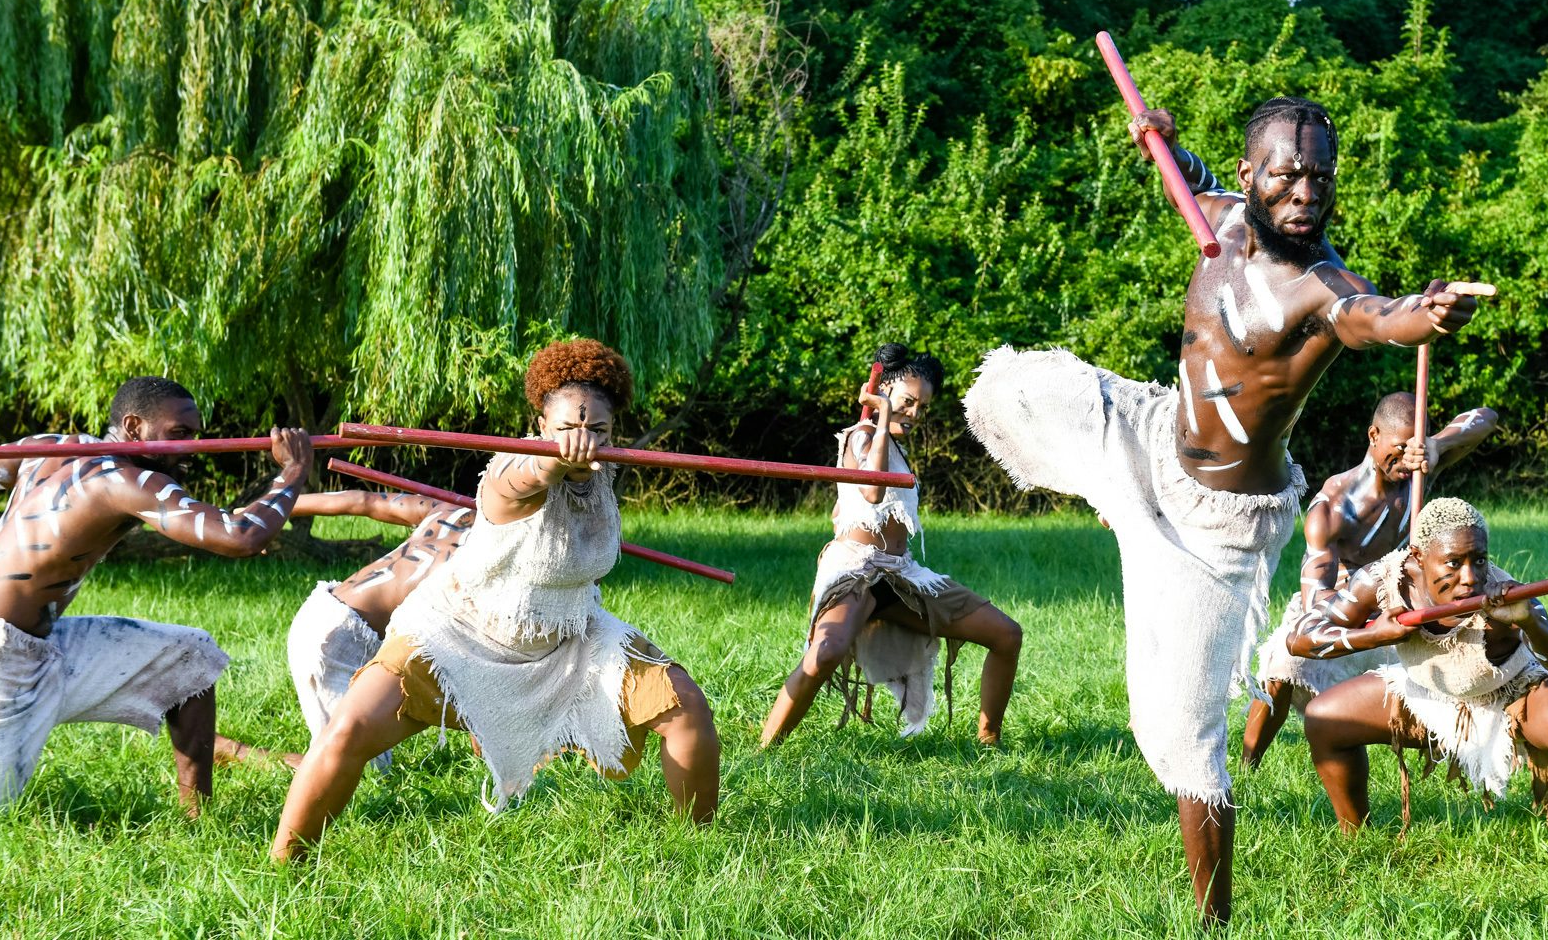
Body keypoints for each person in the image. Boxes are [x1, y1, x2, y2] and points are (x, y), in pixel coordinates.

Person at [962, 98, 1488, 922]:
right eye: (1287, 174)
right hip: (1152, 435)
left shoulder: (1322, 288)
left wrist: (1426, 315)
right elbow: (1188, 174)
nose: (1306, 191)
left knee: (1179, 735)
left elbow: (1378, 318)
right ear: (1252, 177)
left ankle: (1214, 919)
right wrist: (1160, 140)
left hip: (1222, 522)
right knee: (1016, 384)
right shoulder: (1222, 217)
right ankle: (1116, 499)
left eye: (1321, 176)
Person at [271, 340, 719, 862]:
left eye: (598, 431)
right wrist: (549, 464)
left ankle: (699, 847)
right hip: (459, 633)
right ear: (540, 426)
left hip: (569, 635)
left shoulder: (602, 478)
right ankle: (286, 865)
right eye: (568, 429)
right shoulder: (512, 468)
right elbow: (521, 481)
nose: (585, 442)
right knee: (350, 728)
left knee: (682, 703)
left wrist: (576, 458)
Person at [0, 376, 313, 839]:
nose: (190, 448)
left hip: (42, 646)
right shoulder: (122, 481)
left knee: (189, 656)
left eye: (193, 435)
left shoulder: (53, 447)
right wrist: (291, 472)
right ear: (134, 426)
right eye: (179, 434)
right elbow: (241, 537)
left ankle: (199, 824)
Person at [1292, 498, 1548, 853]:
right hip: (1430, 694)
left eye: (1478, 560)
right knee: (1324, 717)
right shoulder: (1384, 578)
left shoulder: (1504, 590)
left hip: (1515, 691)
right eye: (1453, 563)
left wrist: (1528, 622)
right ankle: (1357, 840)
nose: (1470, 577)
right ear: (1419, 557)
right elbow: (1300, 637)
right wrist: (1372, 636)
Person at [760, 344, 1023, 748]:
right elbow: (870, 489)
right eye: (907, 402)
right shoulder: (860, 436)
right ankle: (766, 748)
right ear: (882, 393)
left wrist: (888, 415)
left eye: (923, 407)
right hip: (856, 571)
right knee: (826, 652)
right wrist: (881, 416)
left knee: (1006, 634)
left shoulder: (893, 444)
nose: (915, 414)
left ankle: (989, 743)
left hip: (901, 575)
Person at [1242, 394, 1498, 767]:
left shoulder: (1420, 471)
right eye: (1398, 449)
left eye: (1415, 447)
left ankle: (1466, 753)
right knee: (1282, 667)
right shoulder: (1332, 507)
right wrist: (1371, 629)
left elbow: (1485, 417)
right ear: (1373, 435)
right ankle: (1248, 766)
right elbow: (1317, 609)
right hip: (1341, 609)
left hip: (1403, 608)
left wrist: (1436, 446)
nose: (1406, 460)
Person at [211, 488, 475, 769]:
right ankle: (231, 751)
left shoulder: (452, 511)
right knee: (344, 773)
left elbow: (361, 500)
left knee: (368, 754)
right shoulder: (500, 555)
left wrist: (264, 512)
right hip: (337, 641)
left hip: (344, 622)